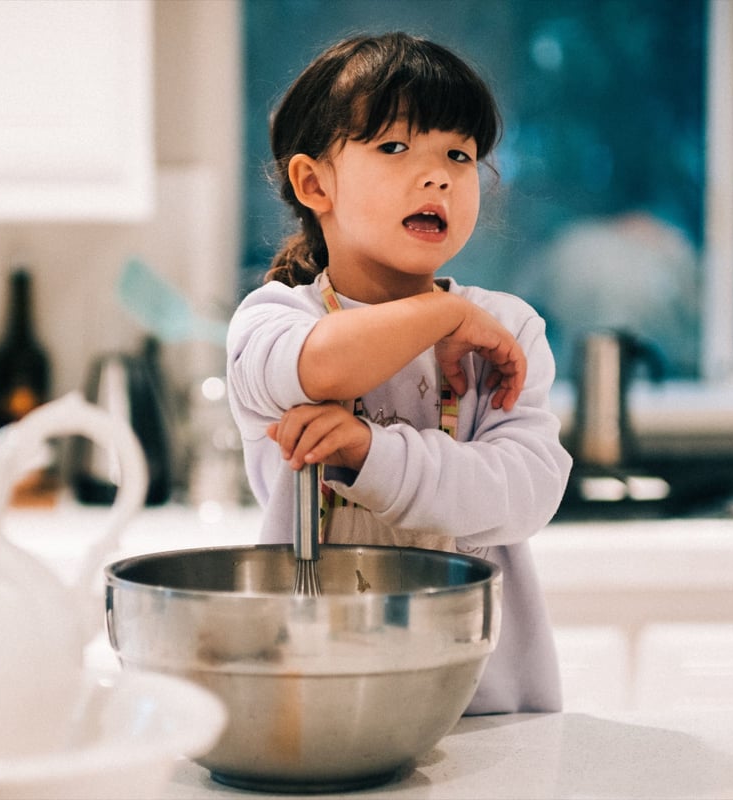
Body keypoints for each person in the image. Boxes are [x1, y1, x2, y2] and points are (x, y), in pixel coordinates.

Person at [225, 32, 572, 714]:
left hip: (483, 710)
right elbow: (318, 365)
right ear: (314, 183)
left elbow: (526, 493)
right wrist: (441, 315)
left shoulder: (508, 328)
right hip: (317, 700)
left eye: (459, 155)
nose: (438, 175)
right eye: (394, 146)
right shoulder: (272, 319)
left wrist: (370, 454)